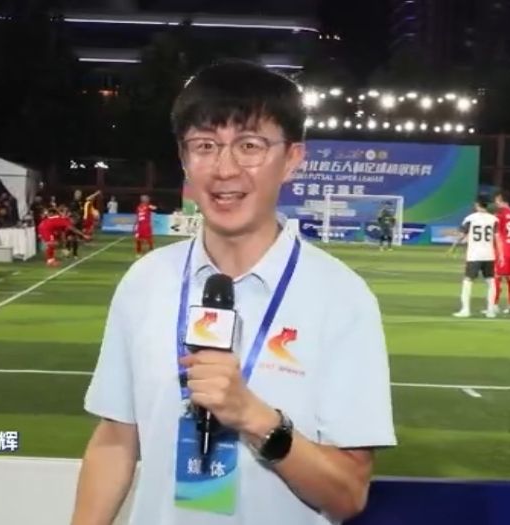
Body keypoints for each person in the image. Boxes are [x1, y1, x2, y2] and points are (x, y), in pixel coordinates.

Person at [71, 60, 395, 525]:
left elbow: (348, 495)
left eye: (249, 146)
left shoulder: (343, 298)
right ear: (184, 158)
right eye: (204, 146)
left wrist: (255, 418)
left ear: (292, 159)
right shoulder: (145, 282)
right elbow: (115, 440)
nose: (224, 169)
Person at [449, 197, 500, 318]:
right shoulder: (494, 219)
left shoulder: (470, 218)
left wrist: (453, 247)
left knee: (468, 281)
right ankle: (491, 311)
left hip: (474, 255)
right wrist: (500, 253)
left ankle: (466, 310)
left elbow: (462, 235)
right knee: (491, 281)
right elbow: (497, 238)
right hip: (489, 254)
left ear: (477, 205)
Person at [493, 191, 510, 314]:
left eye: (496, 200)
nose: (495, 203)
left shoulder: (500, 214)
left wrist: (497, 251)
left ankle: (494, 305)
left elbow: (497, 233)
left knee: (497, 277)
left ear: (500, 199)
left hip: (502, 250)